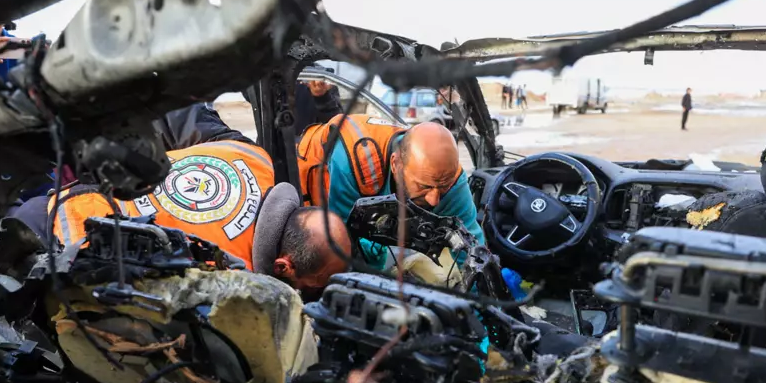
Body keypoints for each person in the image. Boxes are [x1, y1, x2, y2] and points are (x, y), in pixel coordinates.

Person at [26, 104, 352, 298]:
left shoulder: (252, 155)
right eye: (311, 285)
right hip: (49, 257)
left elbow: (180, 114)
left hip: (49, 205)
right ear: (283, 266)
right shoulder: (228, 273)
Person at [296, 116, 485, 260]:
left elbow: (472, 247)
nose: (434, 200)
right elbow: (342, 245)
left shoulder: (447, 175)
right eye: (424, 187)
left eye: (442, 187)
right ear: (396, 165)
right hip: (313, 191)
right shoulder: (351, 164)